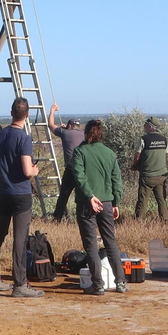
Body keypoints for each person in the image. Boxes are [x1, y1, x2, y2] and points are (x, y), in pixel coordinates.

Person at [0, 96, 42, 298]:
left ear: (11, 113)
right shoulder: (24, 139)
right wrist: (35, 171)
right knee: (20, 238)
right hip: (21, 194)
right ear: (27, 115)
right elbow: (27, 171)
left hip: (2, 192)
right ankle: (20, 284)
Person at [70, 119, 126, 295]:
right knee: (111, 242)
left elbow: (80, 177)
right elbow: (117, 179)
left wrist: (90, 196)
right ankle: (121, 282)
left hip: (87, 203)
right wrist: (116, 202)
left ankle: (98, 284)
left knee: (91, 245)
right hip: (108, 202)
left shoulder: (79, 152)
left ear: (86, 133)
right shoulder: (109, 153)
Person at [47, 104, 84, 222]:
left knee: (64, 195)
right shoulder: (84, 133)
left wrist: (52, 110)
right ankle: (82, 218)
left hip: (71, 168)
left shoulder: (65, 133)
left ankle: (57, 218)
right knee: (83, 194)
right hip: (83, 169)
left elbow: (51, 125)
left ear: (69, 126)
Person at [132, 118, 168, 220]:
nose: (144, 126)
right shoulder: (164, 139)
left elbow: (137, 156)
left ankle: (139, 222)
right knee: (161, 199)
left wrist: (135, 165)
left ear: (150, 126)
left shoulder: (143, 139)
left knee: (143, 199)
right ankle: (165, 220)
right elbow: (164, 154)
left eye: (145, 125)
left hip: (147, 176)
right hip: (161, 175)